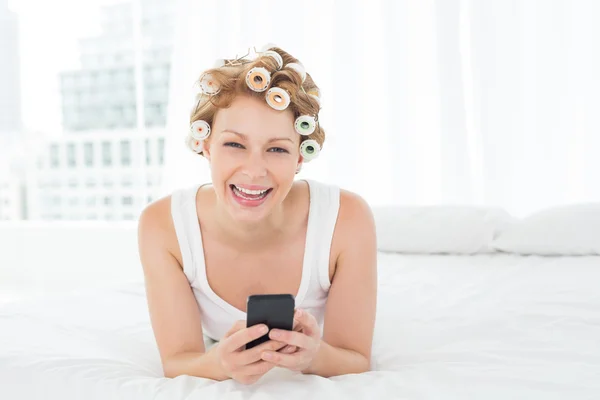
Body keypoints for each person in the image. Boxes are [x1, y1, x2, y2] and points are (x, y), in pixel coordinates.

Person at [137, 45, 377, 385]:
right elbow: (178, 360)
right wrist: (218, 364)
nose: (254, 171)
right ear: (206, 145)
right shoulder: (163, 226)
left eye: (277, 149)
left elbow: (355, 358)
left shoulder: (347, 220)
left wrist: (315, 356)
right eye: (234, 144)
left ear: (299, 158)